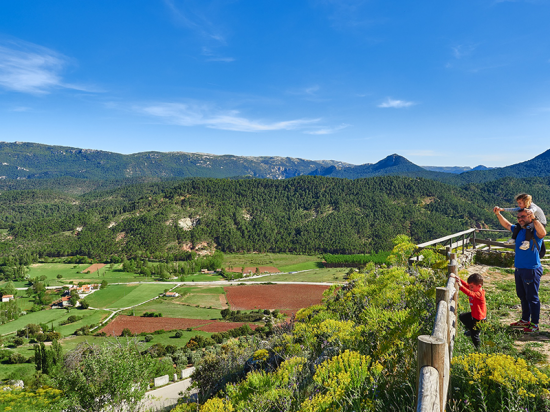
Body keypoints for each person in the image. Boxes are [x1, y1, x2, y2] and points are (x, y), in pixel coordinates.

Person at [494, 206, 547, 333]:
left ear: (530, 216)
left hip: (531, 269)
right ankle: (525, 320)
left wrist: (533, 218)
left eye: (523, 216)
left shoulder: (534, 231)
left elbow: (543, 233)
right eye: (518, 217)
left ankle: (534, 323)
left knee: (532, 297)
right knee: (522, 296)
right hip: (519, 269)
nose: (520, 219)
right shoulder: (519, 230)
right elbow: (507, 225)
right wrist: (498, 214)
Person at [450, 272, 486, 348]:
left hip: (479, 319)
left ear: (479, 286)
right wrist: (458, 278)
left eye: (471, 287)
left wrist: (460, 286)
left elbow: (470, 294)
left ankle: (479, 349)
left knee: (475, 336)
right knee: (462, 317)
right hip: (474, 315)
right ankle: (471, 330)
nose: (470, 288)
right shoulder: (474, 289)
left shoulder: (480, 294)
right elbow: (467, 286)